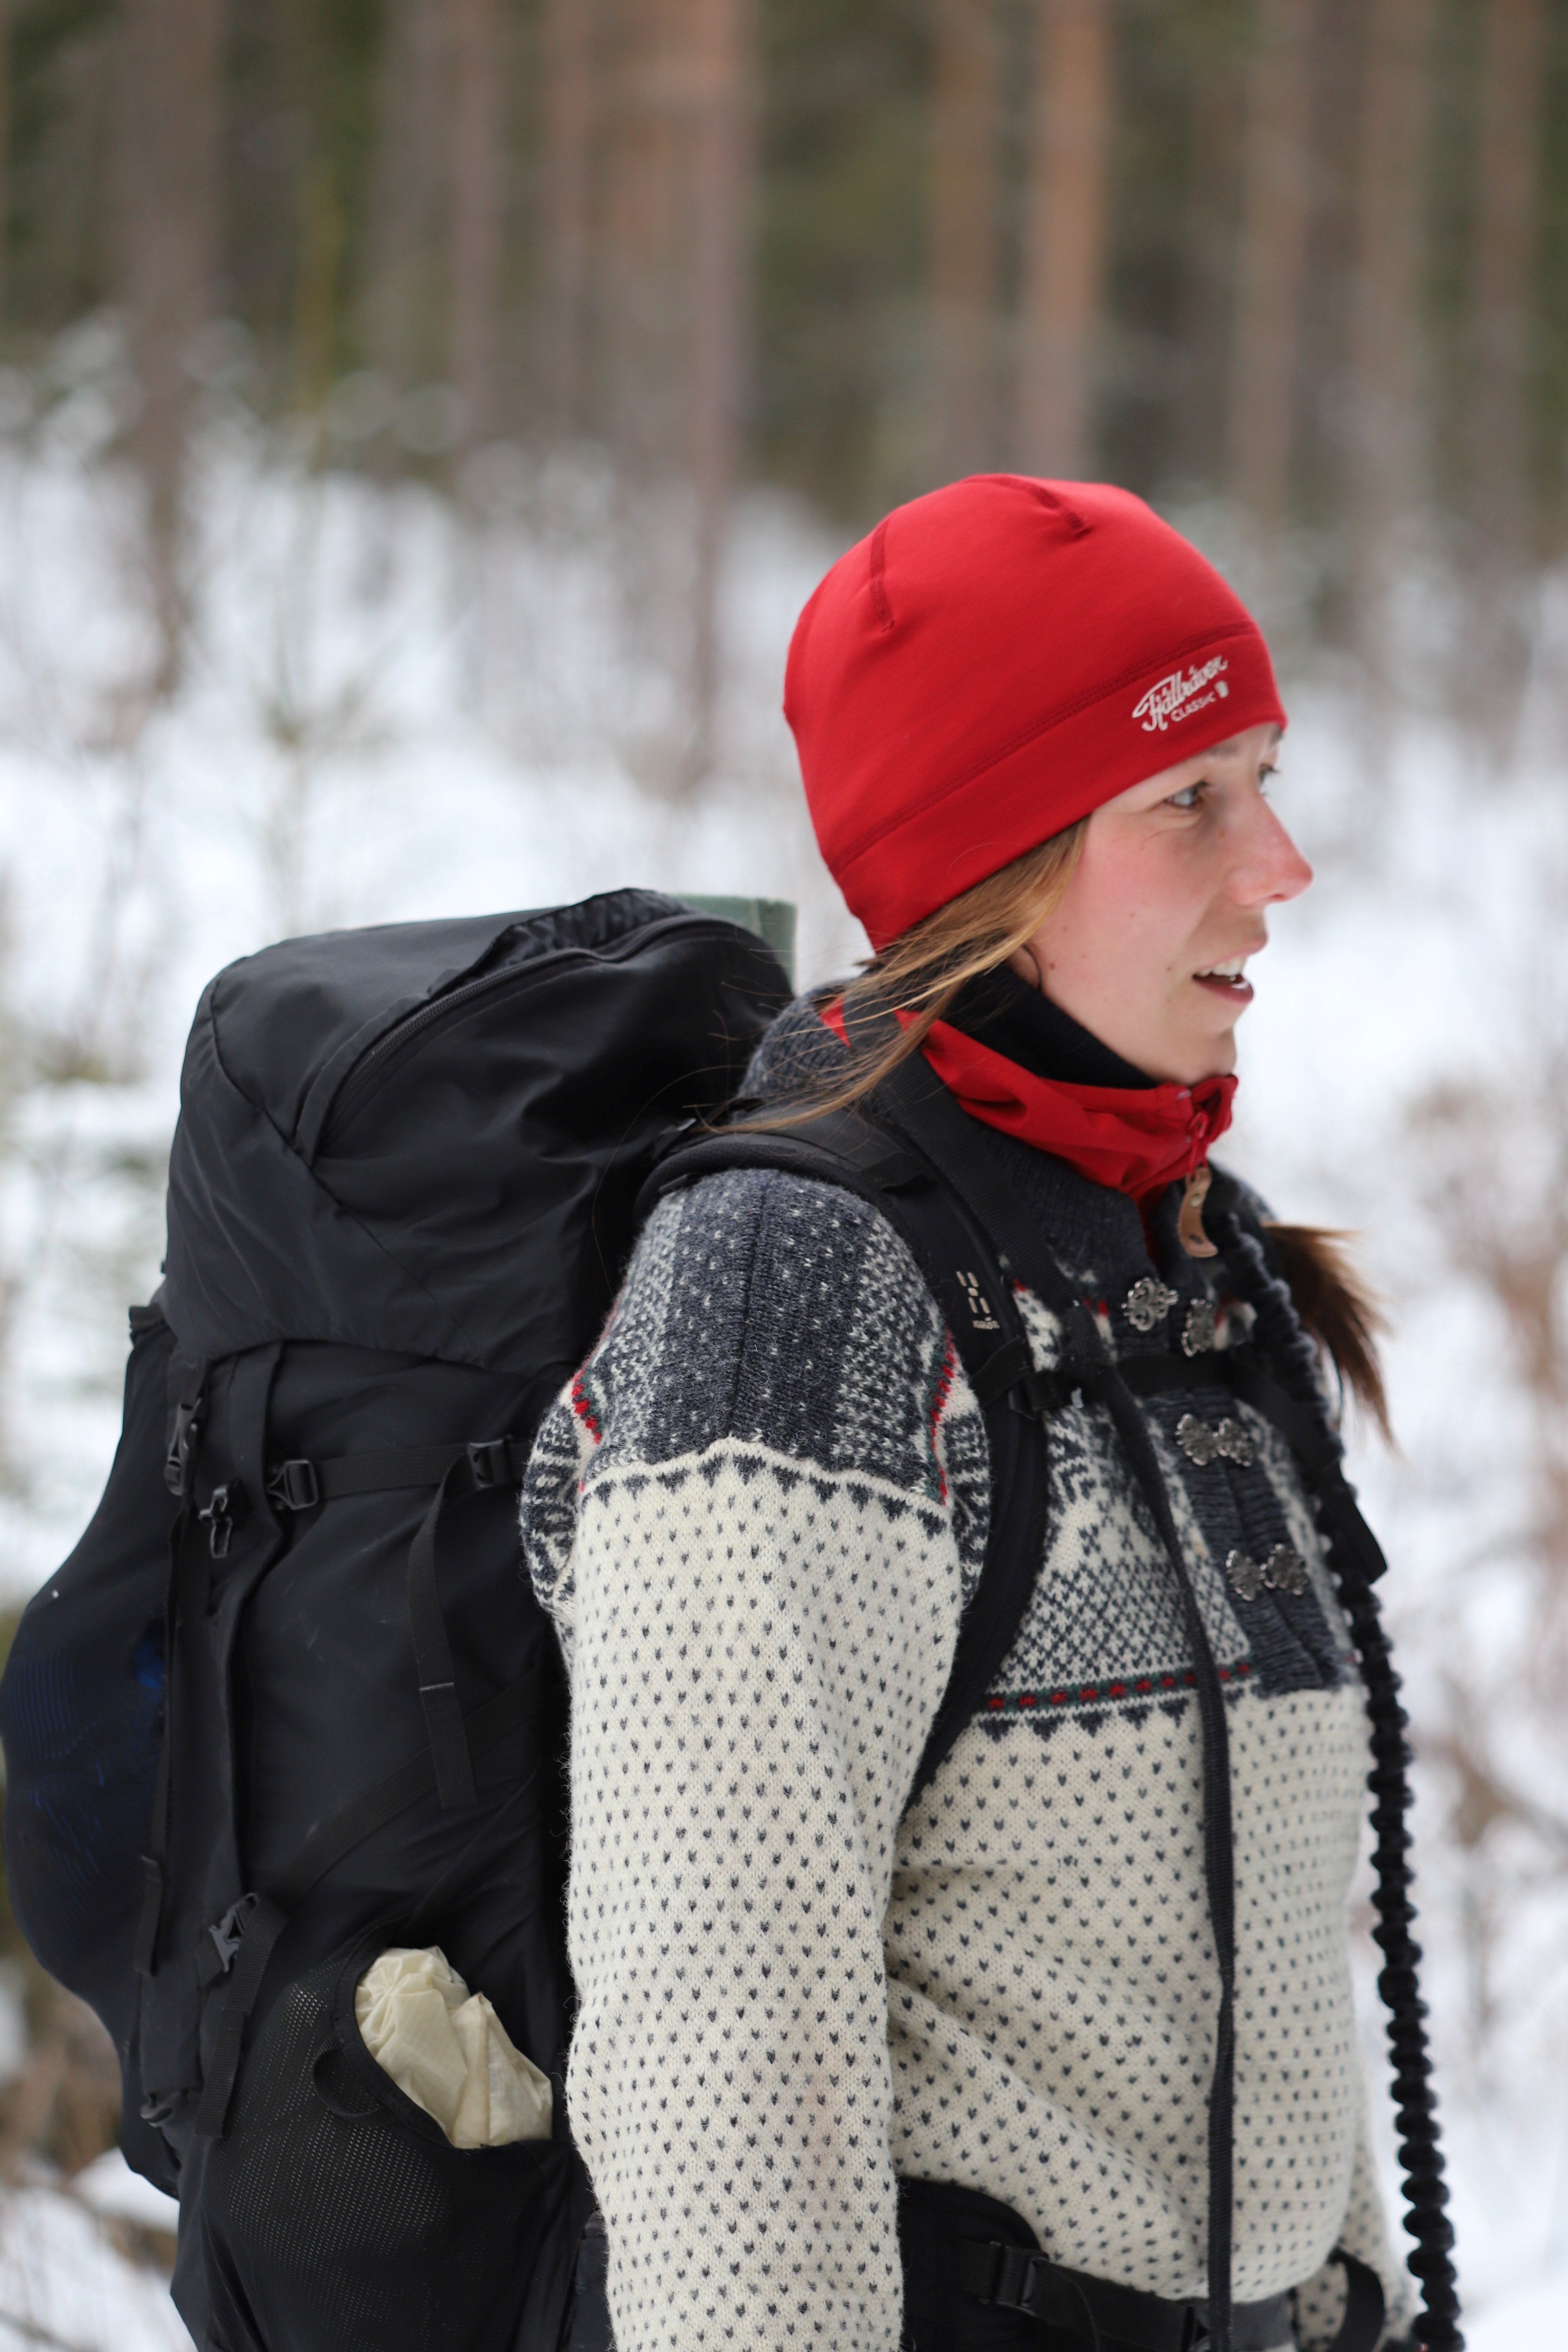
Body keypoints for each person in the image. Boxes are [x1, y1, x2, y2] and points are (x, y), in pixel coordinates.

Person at [520, 476, 1425, 2352]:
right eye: (1191, 798)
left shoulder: (1179, 1258)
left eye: (1265, 779)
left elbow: (1263, 1954)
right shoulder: (788, 1292)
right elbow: (722, 2080)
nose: (1278, 865)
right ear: (992, 866)